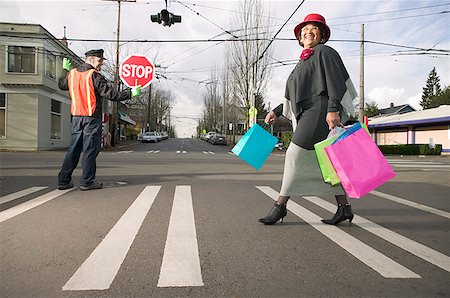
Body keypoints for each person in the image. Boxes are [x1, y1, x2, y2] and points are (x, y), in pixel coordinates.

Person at [259, 14, 357, 225]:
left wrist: (332, 109)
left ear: (321, 35)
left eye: (314, 28)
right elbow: (294, 95)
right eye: (304, 29)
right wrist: (276, 111)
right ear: (300, 37)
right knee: (325, 162)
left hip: (320, 109)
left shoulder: (324, 52)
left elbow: (335, 82)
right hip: (309, 111)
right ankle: (344, 208)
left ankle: (280, 206)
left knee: (294, 155)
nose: (308, 32)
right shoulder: (303, 61)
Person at [57, 49, 141, 191]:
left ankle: (64, 181)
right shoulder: (94, 75)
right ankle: (87, 182)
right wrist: (130, 93)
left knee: (73, 150)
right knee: (90, 150)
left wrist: (64, 70)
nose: (101, 64)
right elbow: (111, 94)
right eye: (100, 61)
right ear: (91, 59)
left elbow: (61, 85)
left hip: (76, 118)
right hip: (91, 118)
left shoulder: (72, 74)